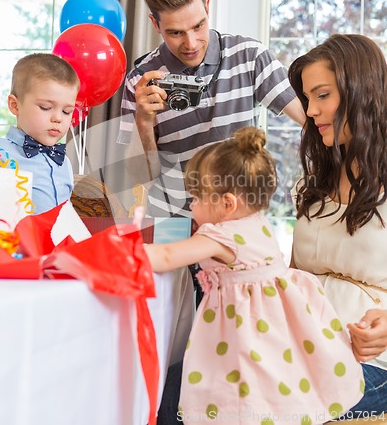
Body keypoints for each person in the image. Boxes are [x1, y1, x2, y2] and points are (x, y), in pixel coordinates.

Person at [145, 126, 364, 423]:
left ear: (227, 204)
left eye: (196, 197)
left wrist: (119, 250)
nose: (192, 205)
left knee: (236, 391)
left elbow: (168, 256)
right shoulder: (257, 222)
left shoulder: (221, 235)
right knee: (267, 390)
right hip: (273, 331)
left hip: (244, 334)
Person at [118, 0, 305, 218]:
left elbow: (311, 119)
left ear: (207, 6)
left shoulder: (250, 56)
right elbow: (139, 176)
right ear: (155, 24)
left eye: (198, 26)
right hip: (172, 224)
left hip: (235, 221)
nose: (191, 43)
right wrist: (143, 121)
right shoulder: (140, 80)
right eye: (175, 33)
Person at [288, 33, 387, 418]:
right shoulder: (316, 182)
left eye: (322, 95)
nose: (310, 110)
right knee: (184, 381)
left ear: (360, 92)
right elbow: (293, 275)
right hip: (302, 349)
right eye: (308, 98)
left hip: (369, 365)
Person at [0, 53, 80, 214]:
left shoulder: (63, 162)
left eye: (67, 111)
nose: (58, 118)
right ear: (15, 105)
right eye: (45, 107)